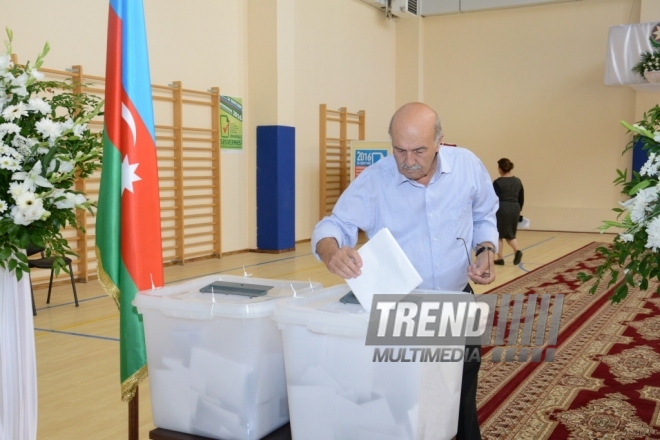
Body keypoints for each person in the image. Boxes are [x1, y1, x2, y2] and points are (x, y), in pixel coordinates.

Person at [312, 102, 499, 440]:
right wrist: (331, 252)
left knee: (459, 398)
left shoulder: (468, 166)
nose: (408, 161)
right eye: (399, 150)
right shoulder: (375, 181)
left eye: (418, 150)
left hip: (458, 303)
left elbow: (485, 215)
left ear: (440, 141)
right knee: (401, 405)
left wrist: (487, 249)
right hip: (402, 312)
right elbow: (334, 225)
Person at [492, 158, 524, 266]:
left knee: (499, 234)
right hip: (514, 207)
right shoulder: (517, 181)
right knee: (510, 234)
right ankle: (516, 250)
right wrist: (518, 209)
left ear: (500, 169)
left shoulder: (498, 182)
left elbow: (493, 198)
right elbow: (521, 197)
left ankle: (500, 257)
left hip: (501, 208)